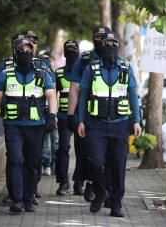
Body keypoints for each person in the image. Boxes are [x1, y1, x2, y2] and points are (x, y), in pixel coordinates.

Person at [0, 36, 57, 213]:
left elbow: (51, 95)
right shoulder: (6, 74)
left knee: (32, 163)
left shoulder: (42, 73)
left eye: (28, 50)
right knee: (16, 159)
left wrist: (52, 116)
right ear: (15, 53)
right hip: (13, 126)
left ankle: (28, 197)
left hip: (36, 126)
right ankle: (17, 199)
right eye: (21, 50)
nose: (25, 53)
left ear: (33, 53)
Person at [77, 31, 141, 217]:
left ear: (118, 47)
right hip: (96, 124)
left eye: (115, 45)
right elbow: (83, 96)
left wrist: (136, 120)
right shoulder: (92, 68)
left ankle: (116, 203)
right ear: (101, 48)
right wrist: (81, 120)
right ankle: (100, 192)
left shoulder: (126, 68)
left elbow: (133, 96)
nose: (111, 48)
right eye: (108, 45)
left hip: (120, 124)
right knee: (96, 162)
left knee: (118, 164)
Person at [67, 26, 111, 202]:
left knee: (109, 155)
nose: (100, 42)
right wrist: (71, 115)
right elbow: (74, 90)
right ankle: (91, 182)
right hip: (86, 117)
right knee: (87, 153)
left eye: (103, 38)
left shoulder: (117, 60)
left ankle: (105, 189)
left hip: (111, 116)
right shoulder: (83, 61)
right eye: (97, 38)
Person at [54, 40, 80, 195]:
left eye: (73, 50)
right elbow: (52, 96)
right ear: (64, 53)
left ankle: (79, 182)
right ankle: (63, 183)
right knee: (63, 148)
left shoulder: (84, 71)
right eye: (68, 51)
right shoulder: (59, 73)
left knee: (82, 150)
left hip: (81, 117)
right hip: (64, 116)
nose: (71, 53)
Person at [39, 50, 59, 176]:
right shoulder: (39, 74)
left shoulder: (53, 74)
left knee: (56, 141)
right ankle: (46, 164)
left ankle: (53, 164)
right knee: (46, 141)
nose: (47, 62)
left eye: (49, 59)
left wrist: (54, 115)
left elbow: (55, 95)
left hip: (53, 112)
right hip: (42, 112)